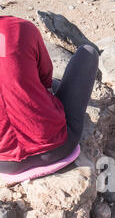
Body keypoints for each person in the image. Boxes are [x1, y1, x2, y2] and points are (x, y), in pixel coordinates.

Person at [0, 15, 99, 174]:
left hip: (4, 164)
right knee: (88, 53)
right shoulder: (19, 27)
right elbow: (45, 80)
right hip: (58, 147)